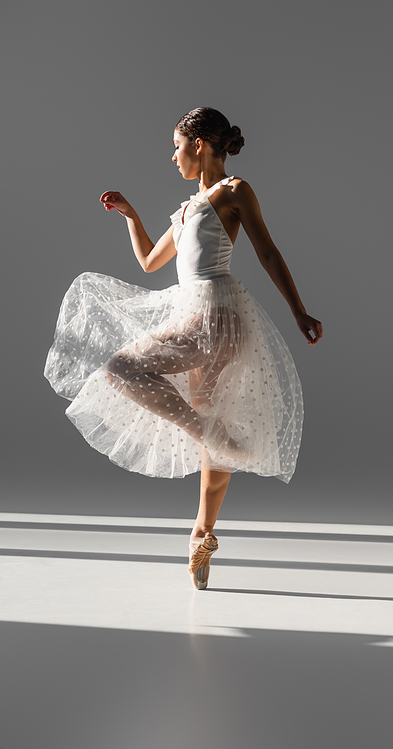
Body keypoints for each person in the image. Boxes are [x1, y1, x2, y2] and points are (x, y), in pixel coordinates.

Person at [45, 107, 323, 589]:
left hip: (214, 313)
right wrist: (132, 216)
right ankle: (202, 534)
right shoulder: (188, 207)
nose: (172, 157)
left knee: (123, 370)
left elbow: (267, 251)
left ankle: (215, 437)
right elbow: (152, 261)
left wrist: (299, 309)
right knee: (205, 422)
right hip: (201, 314)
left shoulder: (234, 191)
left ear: (199, 145)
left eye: (177, 146)